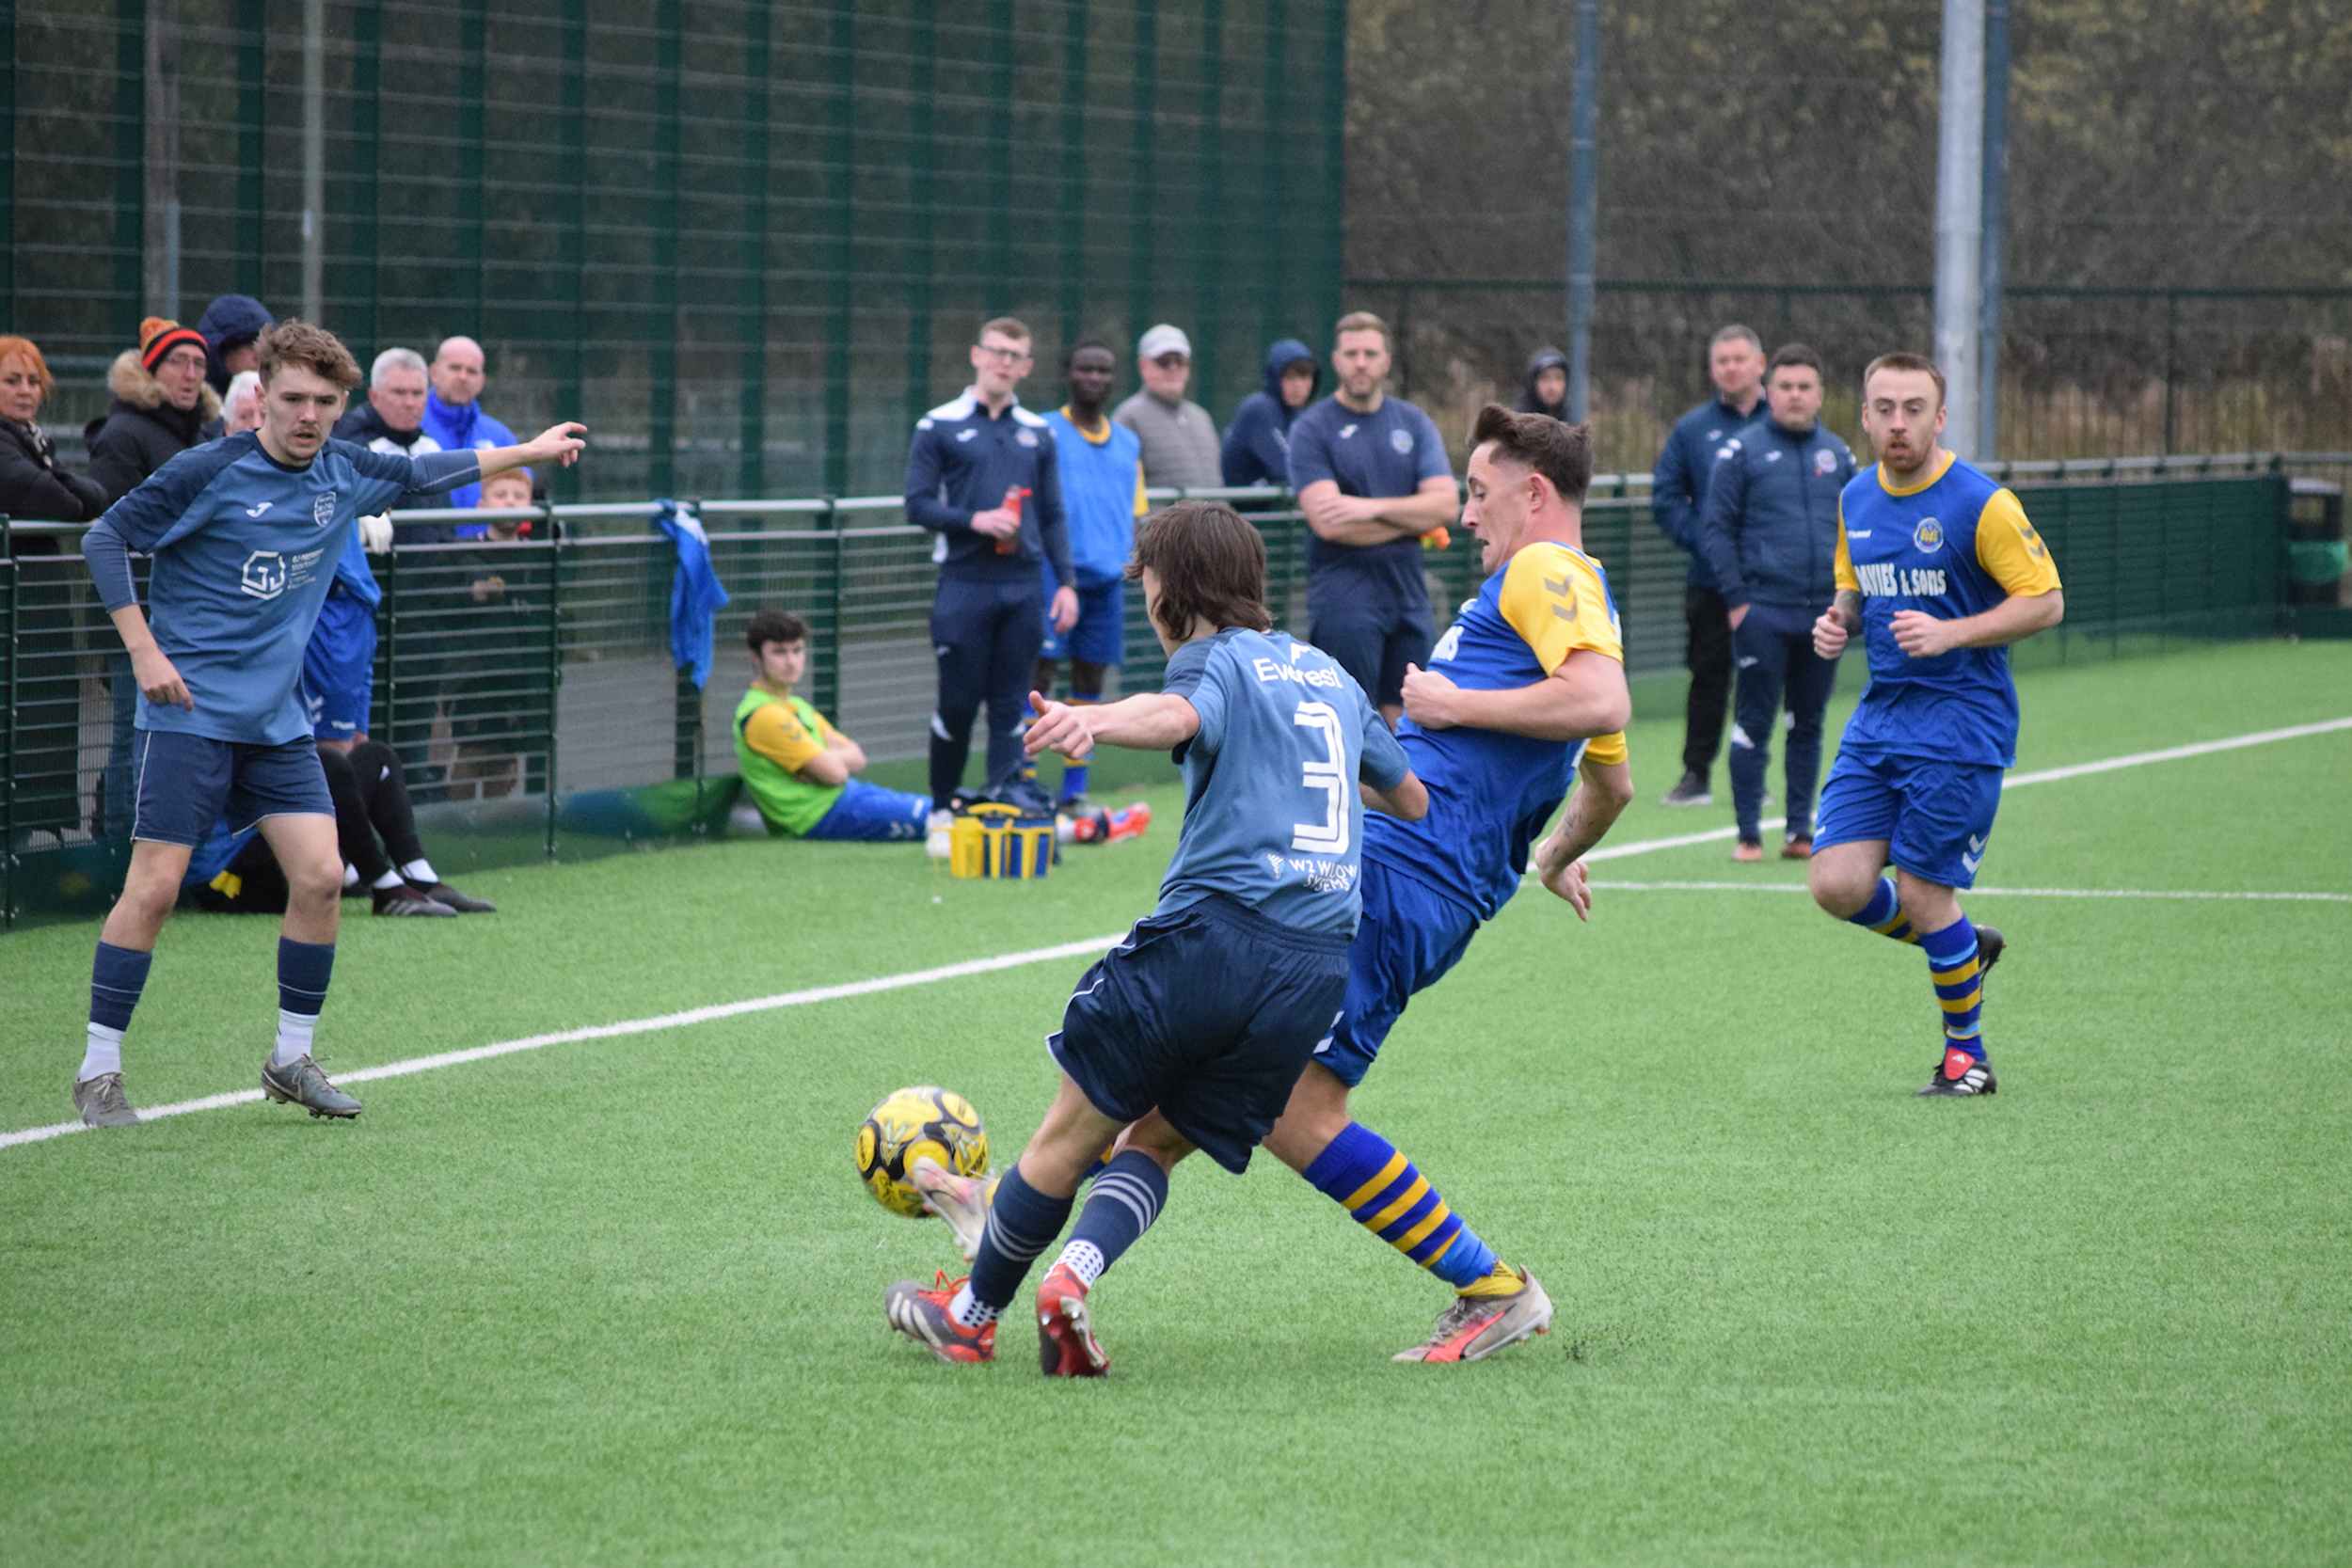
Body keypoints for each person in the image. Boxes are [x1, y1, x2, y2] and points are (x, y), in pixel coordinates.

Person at [886, 499, 1427, 1373]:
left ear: (1177, 589)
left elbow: (1178, 716)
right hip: (1315, 970)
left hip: (1214, 939)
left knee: (1069, 1135)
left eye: (1150, 582)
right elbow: (1410, 798)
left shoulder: (1212, 658)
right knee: (1155, 1140)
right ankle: (1072, 1276)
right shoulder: (1331, 673)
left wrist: (1092, 719)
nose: (1146, 599)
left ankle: (972, 1316)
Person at [68, 318, 584, 1128]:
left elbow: (426, 473)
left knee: (320, 876)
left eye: (325, 401)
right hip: (188, 716)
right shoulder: (209, 469)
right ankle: (99, 1070)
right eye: (294, 399)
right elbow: (106, 537)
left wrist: (531, 450)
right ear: (263, 395)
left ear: (343, 405)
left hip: (276, 724)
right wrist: (143, 650)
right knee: (155, 888)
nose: (308, 415)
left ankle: (292, 1059)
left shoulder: (343, 471)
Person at [1268, 404, 1632, 1362]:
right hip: (1396, 873)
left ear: (1534, 493)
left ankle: (1492, 1285)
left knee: (1286, 1103)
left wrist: (1453, 701)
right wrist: (1549, 855)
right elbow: (1610, 781)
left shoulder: (1546, 570)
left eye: (1478, 492)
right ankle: (1016, 1253)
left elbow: (1601, 702)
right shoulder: (1564, 595)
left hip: (1399, 881)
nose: (1465, 514)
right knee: (1218, 1066)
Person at [1807, 353, 2064, 1097]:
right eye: (1884, 408)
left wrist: (1953, 632)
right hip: (1882, 718)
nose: (1898, 423)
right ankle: (1959, 944)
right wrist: (1839, 620)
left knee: (1923, 891)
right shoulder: (1856, 496)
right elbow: (1854, 584)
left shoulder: (1982, 504)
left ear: (1940, 417)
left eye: (1914, 409)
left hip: (1961, 723)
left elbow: (2046, 601)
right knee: (1836, 884)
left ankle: (1967, 1059)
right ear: (1864, 416)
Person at [902, 317, 1078, 812]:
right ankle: (942, 809)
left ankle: (1005, 806)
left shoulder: (1039, 432)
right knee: (958, 705)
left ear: (1026, 367)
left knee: (1009, 705)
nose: (1004, 362)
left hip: (1023, 586)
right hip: (964, 583)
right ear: (977, 355)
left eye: (1014, 356)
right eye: (996, 351)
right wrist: (976, 520)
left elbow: (1052, 513)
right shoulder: (938, 424)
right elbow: (916, 505)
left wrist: (1067, 583)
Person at [1700, 342, 1855, 862]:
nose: (1795, 395)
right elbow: (1716, 529)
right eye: (1785, 386)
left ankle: (1799, 832)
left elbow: (1856, 532)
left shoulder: (1838, 454)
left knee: (1807, 723)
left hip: (1822, 614)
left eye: (1804, 387)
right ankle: (1748, 834)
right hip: (1762, 612)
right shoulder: (1741, 452)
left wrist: (1846, 602)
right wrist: (1738, 602)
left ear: (1820, 394)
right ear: (1770, 392)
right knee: (1754, 721)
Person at [86, 317, 224, 840]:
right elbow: (111, 525)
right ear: (149, 370)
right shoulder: (124, 433)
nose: (190, 374)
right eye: (177, 362)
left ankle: (173, 852)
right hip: (136, 613)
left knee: (170, 736)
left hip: (188, 612)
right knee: (133, 734)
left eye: (198, 364)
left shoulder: (201, 433)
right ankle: (120, 851)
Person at [1286, 310, 1457, 726]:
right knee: (1353, 720)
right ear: (1336, 360)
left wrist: (1370, 507)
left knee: (1410, 721)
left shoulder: (1413, 423)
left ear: (1386, 361)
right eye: (1351, 354)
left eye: (1370, 353)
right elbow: (1329, 522)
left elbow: (1446, 507)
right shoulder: (1312, 429)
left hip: (1409, 595)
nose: (1360, 363)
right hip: (1345, 598)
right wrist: (1413, 519)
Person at [1652, 325, 1769, 807]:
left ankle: (1754, 778)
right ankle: (1695, 774)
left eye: (1740, 359)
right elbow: (1665, 497)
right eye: (1722, 360)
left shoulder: (1783, 423)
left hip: (1768, 583)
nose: (1731, 368)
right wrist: (1708, 543)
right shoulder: (1693, 429)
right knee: (1707, 678)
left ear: (1760, 364)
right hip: (1710, 582)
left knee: (1764, 679)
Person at [1035, 340, 1147, 805]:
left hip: (1106, 581)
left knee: (1089, 684)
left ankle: (1074, 792)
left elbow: (1136, 513)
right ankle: (1022, 783)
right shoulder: (1043, 430)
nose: (1094, 377)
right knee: (1038, 677)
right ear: (1067, 373)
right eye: (1085, 368)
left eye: (1103, 370)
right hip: (1052, 576)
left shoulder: (1128, 442)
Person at [733, 608, 933, 842]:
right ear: (755, 657)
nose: (791, 662)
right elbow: (836, 774)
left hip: (849, 797)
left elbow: (857, 758)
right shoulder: (764, 714)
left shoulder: (796, 705)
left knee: (950, 807)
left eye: (797, 650)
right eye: (779, 652)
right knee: (942, 818)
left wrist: (819, 761)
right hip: (819, 816)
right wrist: (825, 762)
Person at [333, 347, 450, 543]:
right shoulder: (344, 446)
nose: (410, 403)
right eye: (399, 392)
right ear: (374, 396)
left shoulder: (431, 446)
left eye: (417, 393)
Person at [0, 336, 108, 525]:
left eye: (34, 381)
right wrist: (79, 504)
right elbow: (56, 501)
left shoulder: (35, 442)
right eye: (12, 381)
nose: (25, 391)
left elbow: (99, 499)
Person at [1112, 324, 1222, 490]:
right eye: (1164, 361)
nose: (1173, 368)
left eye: (1180, 361)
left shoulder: (1201, 417)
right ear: (1143, 366)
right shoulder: (1128, 417)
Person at [420, 335, 517, 516]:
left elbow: (522, 495)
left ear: (482, 382)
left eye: (471, 371)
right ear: (433, 373)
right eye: (454, 368)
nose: (463, 377)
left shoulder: (501, 437)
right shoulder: (412, 429)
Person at [1219, 338, 1320, 488]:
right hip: (1244, 503)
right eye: (1290, 376)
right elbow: (1286, 469)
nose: (1298, 385)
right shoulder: (1260, 408)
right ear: (1275, 378)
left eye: (1305, 376)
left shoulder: (1299, 414)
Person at [195, 293, 274, 396]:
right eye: (251, 346)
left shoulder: (281, 402)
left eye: (266, 347)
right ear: (221, 352)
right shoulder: (188, 402)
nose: (259, 356)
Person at [1516, 347, 1569, 420]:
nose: (1553, 386)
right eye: (1545, 378)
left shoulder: (1574, 419)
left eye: (1558, 378)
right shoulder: (1517, 422)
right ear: (1532, 383)